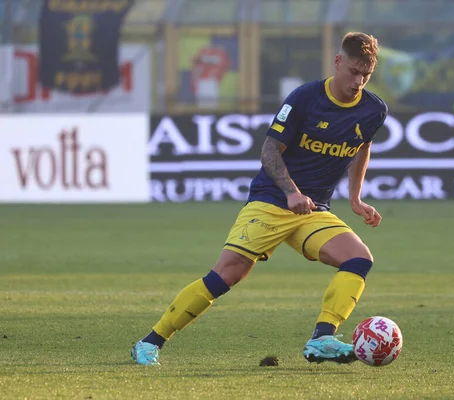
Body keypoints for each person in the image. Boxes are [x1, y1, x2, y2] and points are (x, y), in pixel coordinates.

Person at [131, 32, 388, 366]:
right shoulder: (305, 98)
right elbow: (269, 149)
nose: (358, 81)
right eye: (353, 71)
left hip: (313, 210)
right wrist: (291, 191)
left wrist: (356, 198)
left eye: (365, 75)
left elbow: (362, 147)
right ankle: (149, 343)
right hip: (271, 201)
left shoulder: (373, 110)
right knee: (226, 275)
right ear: (338, 62)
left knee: (358, 258)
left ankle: (322, 337)